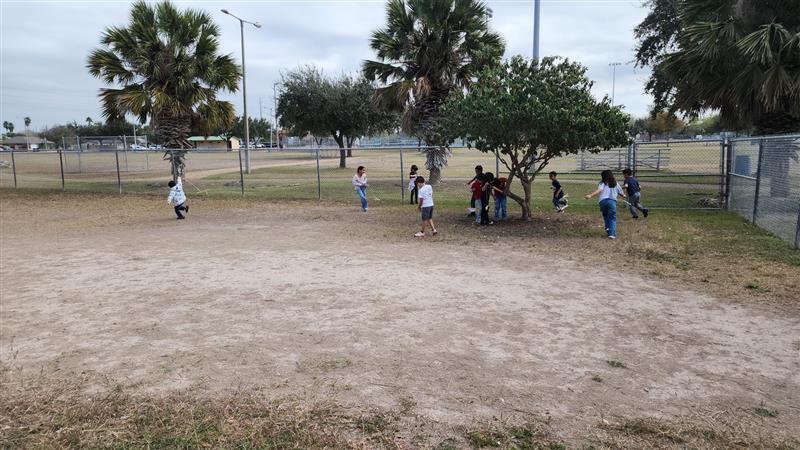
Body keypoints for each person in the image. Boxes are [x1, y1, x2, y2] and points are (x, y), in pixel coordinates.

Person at [585, 170, 625, 239]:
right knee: (612, 217)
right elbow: (621, 193)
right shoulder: (616, 183)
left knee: (606, 216)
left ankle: (607, 228)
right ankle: (612, 234)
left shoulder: (602, 183)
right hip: (612, 201)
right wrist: (624, 196)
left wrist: (590, 195)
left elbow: (599, 190)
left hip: (602, 202)